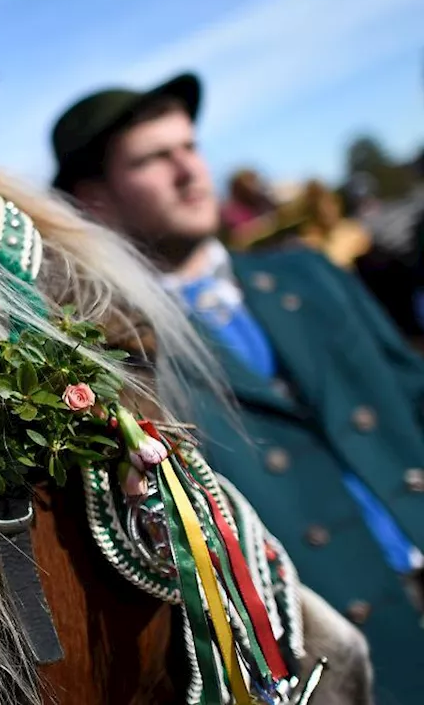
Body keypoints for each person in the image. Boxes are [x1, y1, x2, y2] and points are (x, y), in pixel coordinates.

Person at [49, 71, 424, 705]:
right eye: (153, 159)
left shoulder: (306, 271)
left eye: (189, 147)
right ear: (95, 201)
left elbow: (411, 394)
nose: (189, 171)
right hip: (347, 654)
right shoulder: (118, 359)